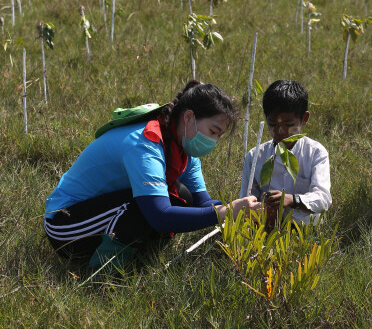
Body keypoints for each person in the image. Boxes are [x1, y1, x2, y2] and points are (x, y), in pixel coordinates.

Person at [45, 80, 260, 266]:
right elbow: (160, 216)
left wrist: (238, 211)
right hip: (65, 225)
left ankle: (140, 257)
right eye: (213, 132)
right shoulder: (145, 144)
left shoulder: (184, 148)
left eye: (218, 136)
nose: (213, 142)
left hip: (102, 212)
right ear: (189, 117)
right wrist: (224, 212)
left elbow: (201, 203)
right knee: (141, 209)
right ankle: (105, 276)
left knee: (182, 196)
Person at [241, 79, 331, 225]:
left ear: (304, 119)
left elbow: (323, 199)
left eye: (289, 125)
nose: (280, 131)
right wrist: (263, 205)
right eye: (273, 124)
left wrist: (292, 200)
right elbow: (245, 202)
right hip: (264, 231)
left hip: (304, 231)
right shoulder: (255, 156)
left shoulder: (315, 153)